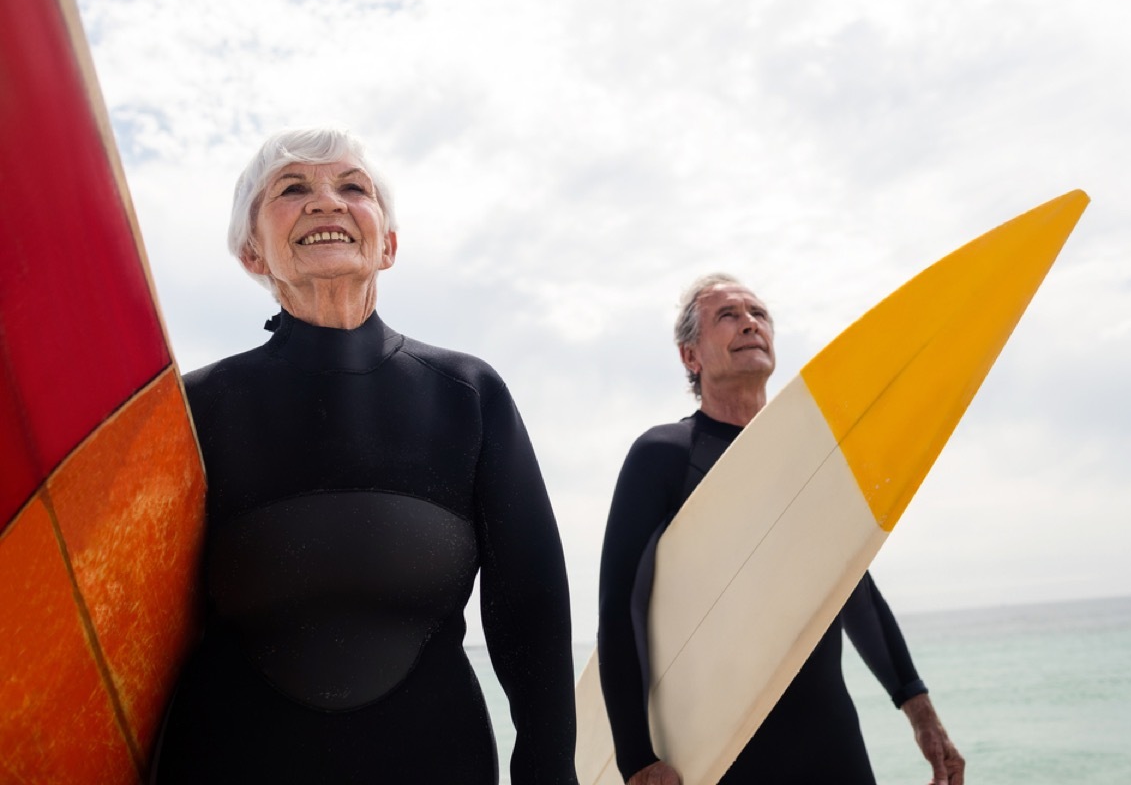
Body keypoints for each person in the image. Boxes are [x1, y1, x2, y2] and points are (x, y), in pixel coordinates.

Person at [152, 127, 579, 784]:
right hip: (231, 760)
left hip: (436, 758)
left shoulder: (467, 394)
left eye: (354, 188)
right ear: (251, 253)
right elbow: (139, 622)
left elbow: (529, 604)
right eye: (292, 190)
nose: (326, 201)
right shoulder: (195, 410)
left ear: (390, 244)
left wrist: (548, 769)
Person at [597, 273, 965, 785]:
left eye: (759, 314)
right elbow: (620, 607)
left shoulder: (811, 460)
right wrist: (636, 758)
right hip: (723, 750)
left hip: (831, 743)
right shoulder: (663, 457)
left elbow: (854, 591)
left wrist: (921, 714)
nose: (750, 323)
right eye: (728, 316)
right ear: (691, 357)